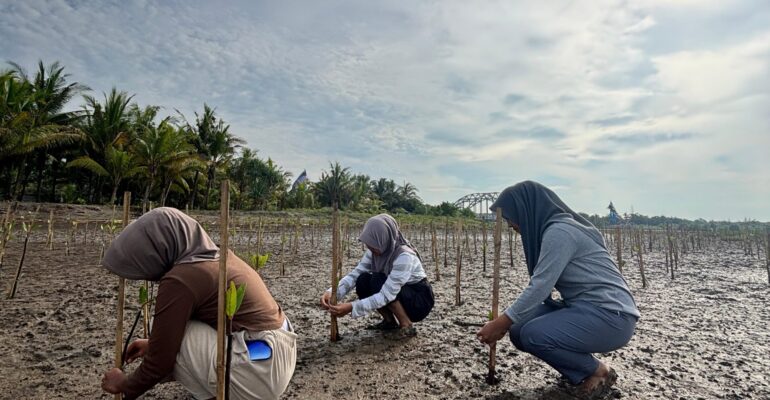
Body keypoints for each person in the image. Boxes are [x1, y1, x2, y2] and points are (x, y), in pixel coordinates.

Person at [100, 207, 296, 400]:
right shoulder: (221, 256)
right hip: (280, 355)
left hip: (259, 372)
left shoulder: (182, 278)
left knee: (165, 332)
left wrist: (124, 384)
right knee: (170, 334)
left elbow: (161, 363)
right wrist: (153, 345)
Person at [476, 181, 640, 398]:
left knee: (533, 334)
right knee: (519, 329)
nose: (510, 225)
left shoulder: (560, 232)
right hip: (584, 308)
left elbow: (540, 287)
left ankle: (598, 371)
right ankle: (577, 369)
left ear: (526, 210)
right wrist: (508, 323)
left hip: (612, 317)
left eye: (509, 218)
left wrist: (500, 322)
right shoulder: (558, 228)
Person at [320, 214, 434, 338]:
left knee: (377, 280)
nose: (370, 248)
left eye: (374, 243)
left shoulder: (405, 256)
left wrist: (351, 307)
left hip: (418, 300)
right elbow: (355, 275)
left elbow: (386, 295)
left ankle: (406, 325)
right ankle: (389, 322)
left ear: (384, 238)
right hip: (399, 293)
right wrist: (333, 293)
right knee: (363, 280)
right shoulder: (375, 251)